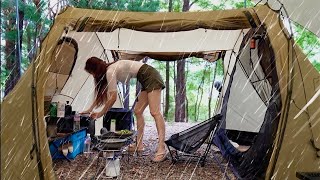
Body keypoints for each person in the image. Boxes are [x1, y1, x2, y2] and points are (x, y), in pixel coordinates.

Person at [80, 57, 167, 162]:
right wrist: (90, 109)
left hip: (150, 75)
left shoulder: (110, 71)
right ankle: (139, 145)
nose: (93, 76)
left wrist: (100, 113)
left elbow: (112, 98)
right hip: (145, 77)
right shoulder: (109, 71)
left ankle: (162, 148)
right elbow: (101, 95)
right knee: (138, 111)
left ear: (95, 69)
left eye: (91, 72)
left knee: (155, 112)